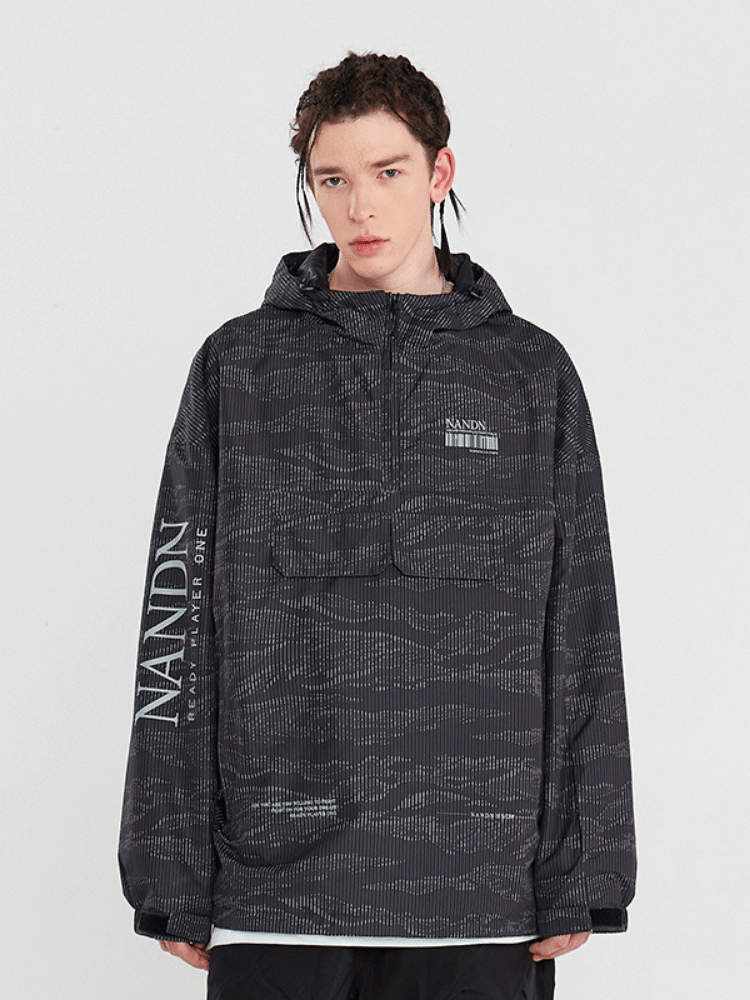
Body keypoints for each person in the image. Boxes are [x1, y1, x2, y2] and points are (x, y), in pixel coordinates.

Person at [118, 50, 636, 1000]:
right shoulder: (240, 367)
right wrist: (170, 873)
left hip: (483, 894)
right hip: (277, 888)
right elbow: (177, 623)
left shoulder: (530, 374)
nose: (360, 207)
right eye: (332, 180)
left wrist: (586, 868)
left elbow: (583, 625)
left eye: (388, 172)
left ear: (440, 173)